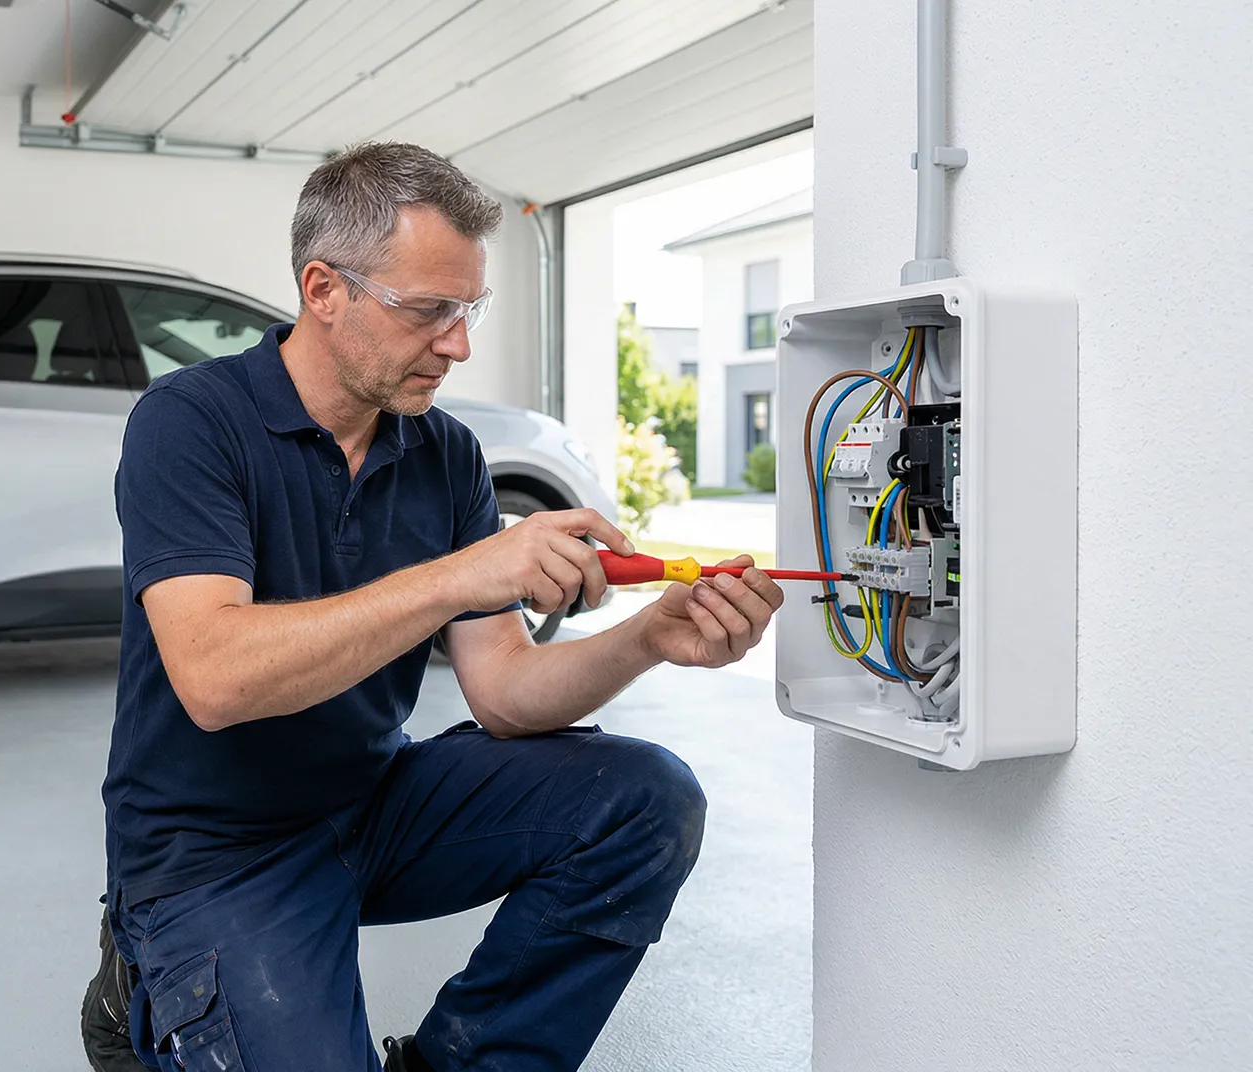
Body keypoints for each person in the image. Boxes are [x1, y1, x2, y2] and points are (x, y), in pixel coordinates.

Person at [81, 142, 783, 1072]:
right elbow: (214, 677)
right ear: (323, 289)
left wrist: (646, 638)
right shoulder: (191, 423)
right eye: (429, 311)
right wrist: (461, 573)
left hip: (371, 804)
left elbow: (503, 694)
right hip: (209, 852)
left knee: (643, 799)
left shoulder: (442, 453)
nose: (457, 343)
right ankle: (139, 982)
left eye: (467, 309)